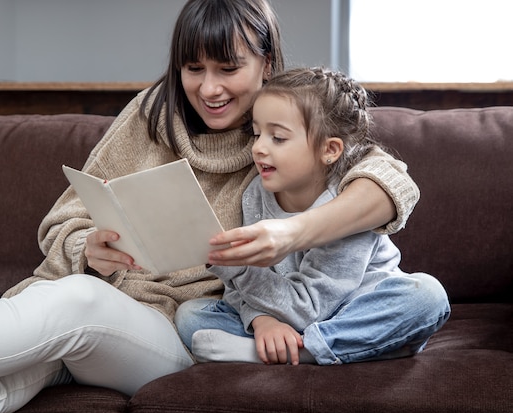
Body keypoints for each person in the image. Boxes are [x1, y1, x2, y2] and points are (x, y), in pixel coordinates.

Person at [0, 1, 420, 413]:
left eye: (228, 68)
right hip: (93, 315)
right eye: (194, 68)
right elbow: (66, 218)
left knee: (75, 304)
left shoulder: (299, 124)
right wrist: (88, 247)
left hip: (173, 331)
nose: (208, 88)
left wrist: (291, 234)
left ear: (267, 64)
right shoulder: (152, 112)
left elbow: (389, 183)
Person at [175, 67, 451, 366]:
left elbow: (312, 308)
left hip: (349, 312)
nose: (258, 148)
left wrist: (236, 268)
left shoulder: (345, 204)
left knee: (427, 297)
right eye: (256, 134)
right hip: (288, 311)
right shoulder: (255, 193)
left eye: (278, 137)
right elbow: (240, 291)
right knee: (191, 315)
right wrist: (262, 321)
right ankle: (339, 348)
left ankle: (306, 351)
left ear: (329, 149)